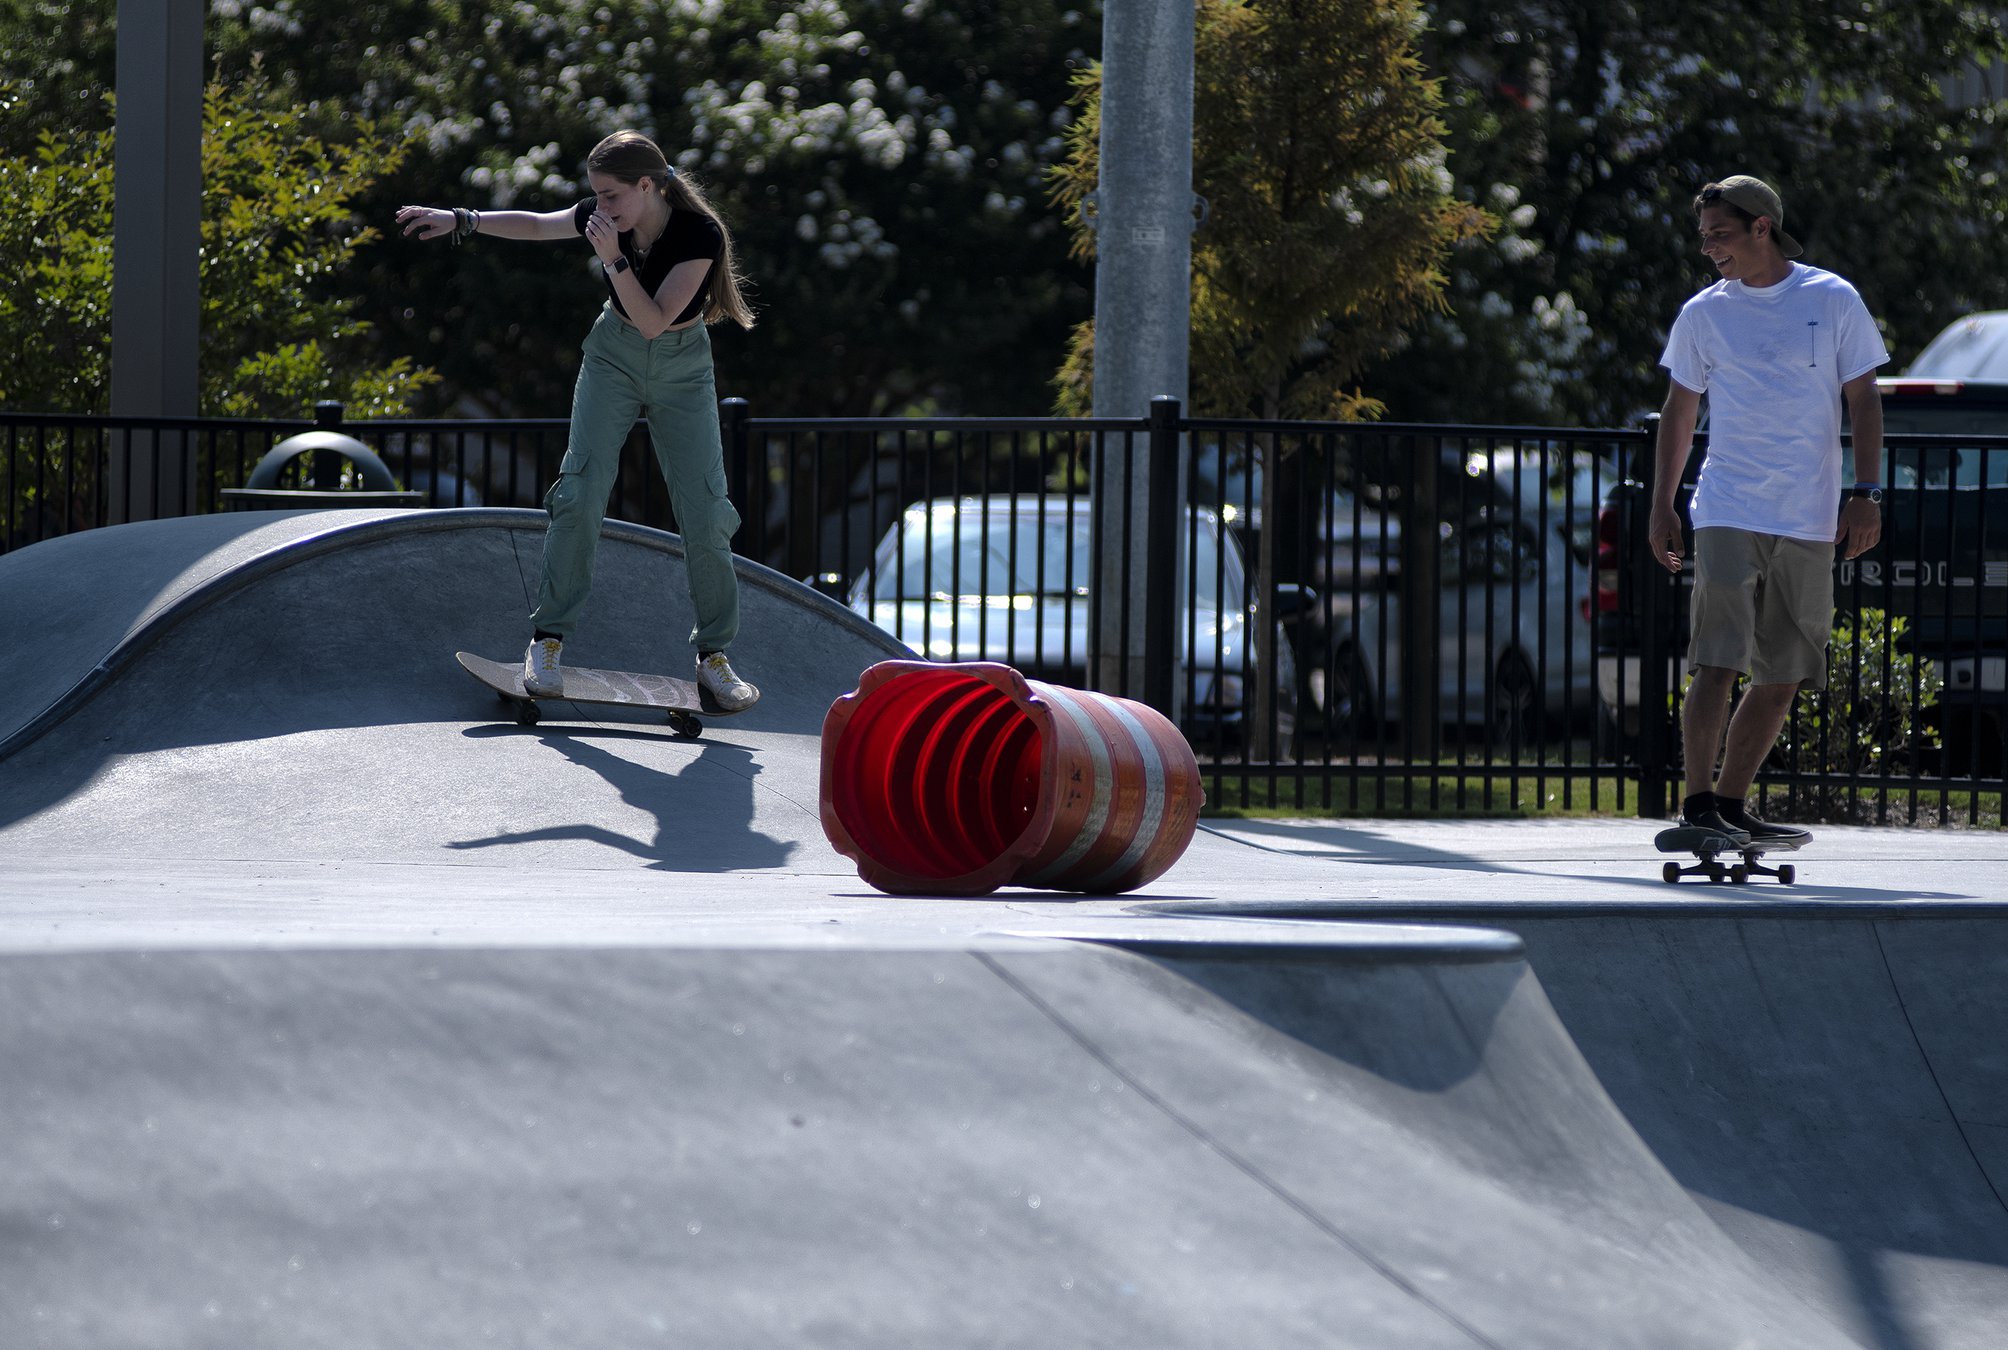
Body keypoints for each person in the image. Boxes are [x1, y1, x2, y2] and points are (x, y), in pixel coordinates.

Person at [396, 130, 761, 711]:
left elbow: (654, 320)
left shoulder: (698, 234)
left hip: (681, 364)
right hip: (612, 355)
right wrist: (463, 219)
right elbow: (541, 225)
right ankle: (546, 644)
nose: (601, 208)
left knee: (707, 510)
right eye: (595, 197)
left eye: (612, 196)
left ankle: (714, 656)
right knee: (581, 491)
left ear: (648, 186)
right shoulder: (604, 214)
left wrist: (613, 258)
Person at [1648, 174, 1888, 846]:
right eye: (1704, 238)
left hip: (1808, 516)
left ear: (1762, 227)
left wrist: (1866, 494)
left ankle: (1731, 802)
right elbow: (1679, 410)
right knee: (1717, 659)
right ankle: (1697, 803)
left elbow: (1863, 400)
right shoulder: (1704, 313)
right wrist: (1662, 504)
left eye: (1720, 235)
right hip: (1727, 504)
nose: (1709, 250)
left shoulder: (1830, 298)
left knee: (1783, 672)